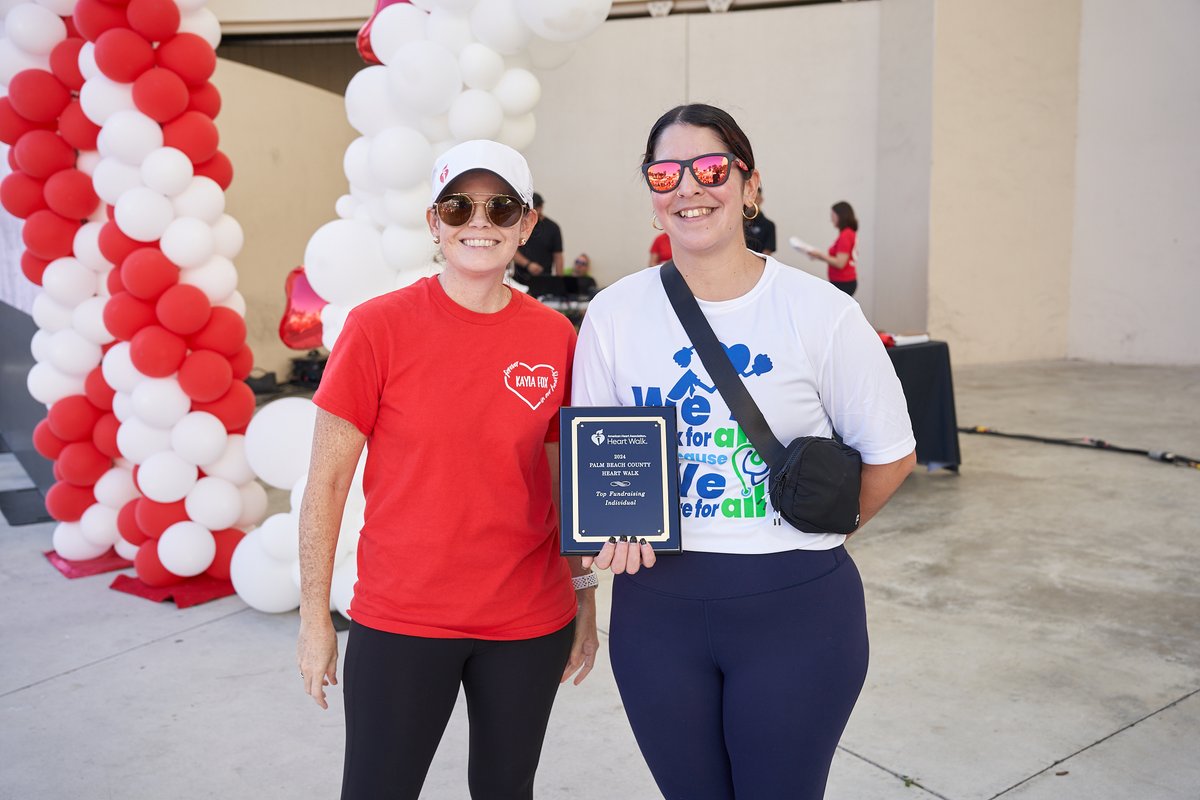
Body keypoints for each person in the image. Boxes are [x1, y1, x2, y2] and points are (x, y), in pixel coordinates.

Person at [572, 104, 916, 800]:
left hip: (796, 614)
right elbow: (595, 458)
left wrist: (812, 534)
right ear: (651, 194)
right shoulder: (613, 313)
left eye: (712, 169)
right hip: (656, 611)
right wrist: (607, 532)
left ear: (749, 186)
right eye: (666, 173)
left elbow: (891, 454)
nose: (689, 188)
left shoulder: (820, 311)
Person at [296, 140, 599, 800]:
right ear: (435, 224)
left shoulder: (555, 338)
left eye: (501, 207)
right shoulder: (377, 329)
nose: (479, 222)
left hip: (528, 619)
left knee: (506, 790)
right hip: (403, 618)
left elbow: (564, 481)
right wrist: (314, 616)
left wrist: (584, 598)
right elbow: (326, 482)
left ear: (526, 224)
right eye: (460, 207)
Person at [807, 200, 858, 296]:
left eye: (833, 216)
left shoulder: (846, 235)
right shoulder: (848, 233)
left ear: (841, 216)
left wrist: (820, 255)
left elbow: (840, 263)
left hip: (843, 282)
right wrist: (818, 256)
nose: (831, 220)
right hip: (844, 280)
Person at [513, 192, 563, 282]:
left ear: (541, 207)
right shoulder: (520, 225)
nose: (533, 211)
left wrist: (560, 281)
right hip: (520, 279)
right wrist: (528, 264)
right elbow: (512, 249)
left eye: (536, 208)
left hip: (544, 279)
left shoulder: (553, 227)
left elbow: (558, 256)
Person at [743, 185, 776, 255]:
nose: (752, 201)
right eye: (748, 197)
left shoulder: (768, 225)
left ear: (761, 200)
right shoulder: (737, 223)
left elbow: (767, 254)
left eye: (755, 198)